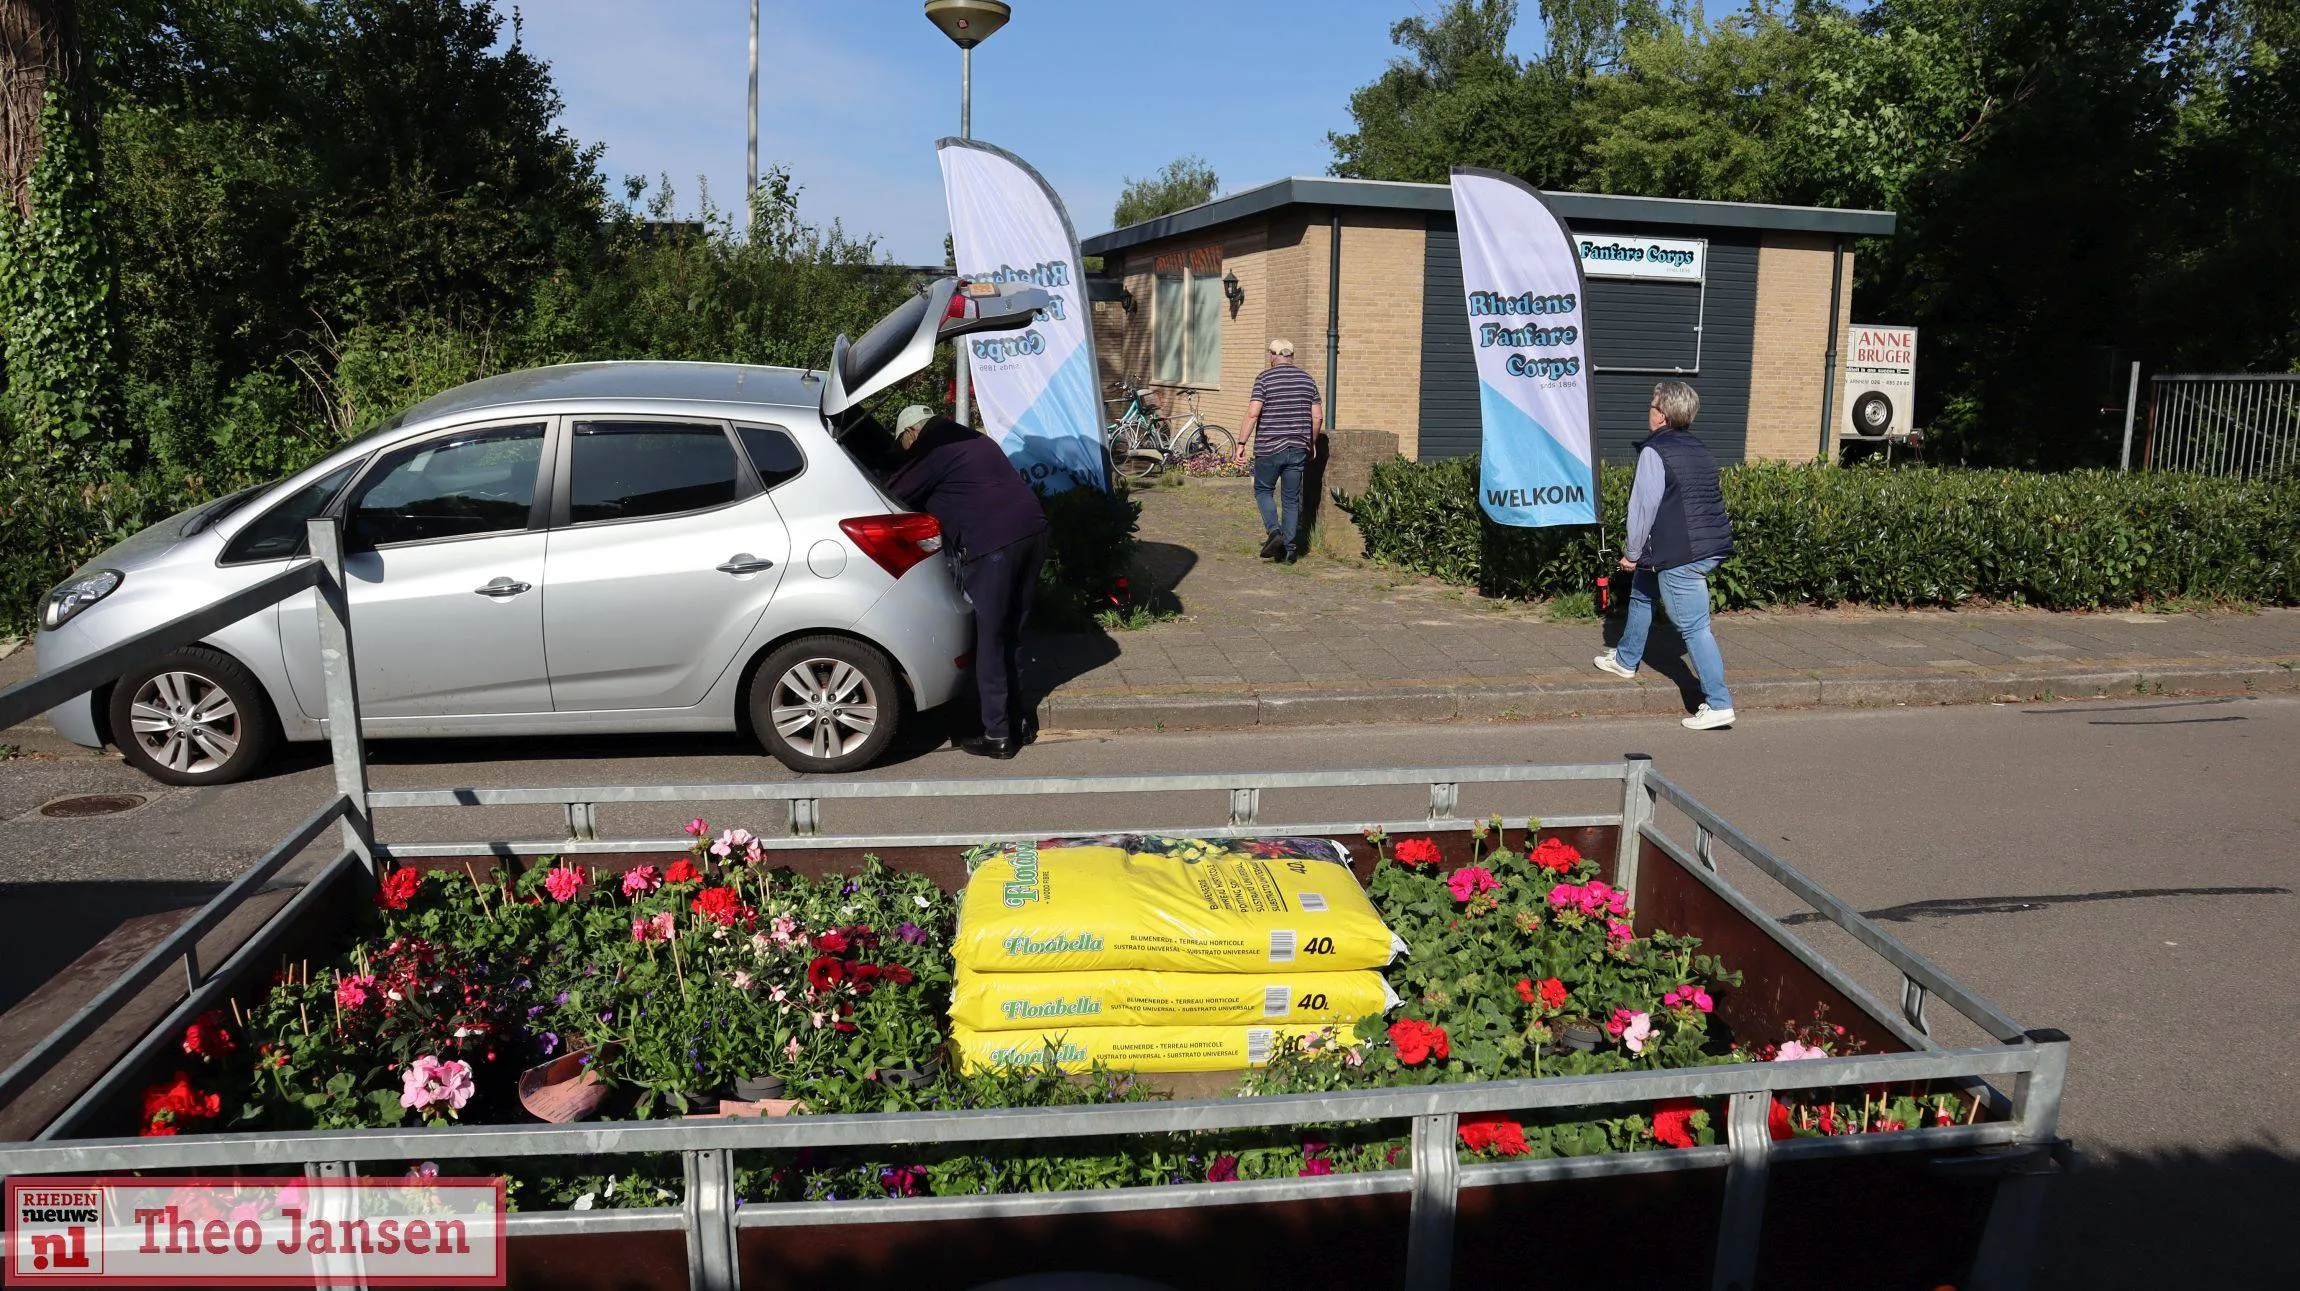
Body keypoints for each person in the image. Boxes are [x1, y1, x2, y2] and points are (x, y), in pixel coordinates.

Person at [884, 405, 1049, 759]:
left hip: (994, 544)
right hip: (1032, 531)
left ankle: (997, 735)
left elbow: (891, 493)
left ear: (911, 433)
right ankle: (1019, 721)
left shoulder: (933, 449)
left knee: (989, 638)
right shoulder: (971, 439)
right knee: (1011, 633)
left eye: (904, 445)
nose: (907, 452)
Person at [1594, 380, 1738, 730]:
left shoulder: (1654, 452)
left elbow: (1643, 508)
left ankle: (1719, 703)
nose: (1650, 409)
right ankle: (1627, 660)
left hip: (1681, 555)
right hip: (1708, 544)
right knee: (1643, 591)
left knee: (1695, 627)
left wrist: (1630, 552)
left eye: (1652, 404)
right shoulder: (1699, 448)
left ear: (1662, 415)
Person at [1234, 338, 1324, 563]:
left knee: (1263, 490)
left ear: (1273, 356)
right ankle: (1290, 551)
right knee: (1291, 499)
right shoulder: (1307, 380)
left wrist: (1241, 443)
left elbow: (1253, 413)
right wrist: (1311, 443)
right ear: (1291, 356)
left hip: (1269, 447)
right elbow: (1318, 416)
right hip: (1298, 447)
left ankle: (1274, 532)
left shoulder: (1264, 378)